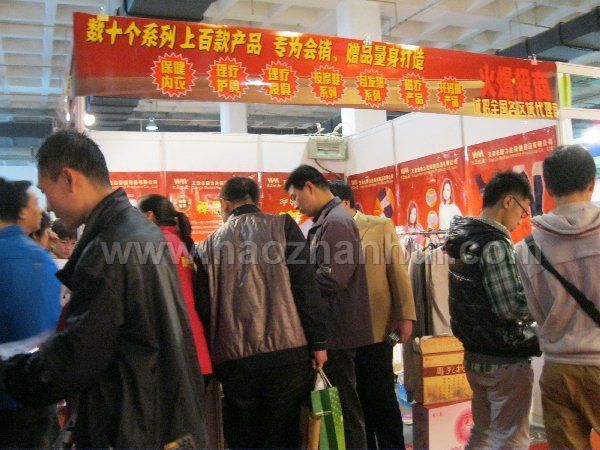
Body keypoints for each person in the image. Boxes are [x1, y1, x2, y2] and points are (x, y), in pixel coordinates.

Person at [0, 130, 206, 448]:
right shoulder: (139, 231)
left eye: (45, 190)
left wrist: (9, 373)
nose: (48, 206)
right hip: (160, 414)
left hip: (130, 424)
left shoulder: (109, 247)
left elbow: (77, 356)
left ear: (68, 178)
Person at [195, 176, 327, 448]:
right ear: (256, 201)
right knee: (284, 436)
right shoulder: (283, 226)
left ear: (225, 204)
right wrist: (318, 342)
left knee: (244, 438)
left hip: (234, 361)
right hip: (288, 355)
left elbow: (204, 310)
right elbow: (305, 287)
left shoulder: (206, 247)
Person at [445, 171, 540, 450]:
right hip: (504, 357)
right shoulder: (495, 244)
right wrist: (544, 304)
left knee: (483, 434)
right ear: (508, 202)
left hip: (475, 354)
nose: (522, 219)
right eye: (523, 210)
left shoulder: (464, 236)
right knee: (511, 439)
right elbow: (510, 306)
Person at [515, 145, 600, 449]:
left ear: (548, 189)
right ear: (591, 183)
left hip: (558, 368)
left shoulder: (527, 247)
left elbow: (536, 312)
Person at [285, 165, 373, 449]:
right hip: (335, 327)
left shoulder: (335, 222)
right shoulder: (328, 219)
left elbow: (334, 277)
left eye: (295, 196)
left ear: (309, 187)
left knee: (344, 408)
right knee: (338, 406)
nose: (295, 204)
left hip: (338, 328)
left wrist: (299, 287)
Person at [329, 180, 416, 450]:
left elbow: (398, 272)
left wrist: (406, 316)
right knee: (353, 401)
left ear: (344, 203)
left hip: (377, 329)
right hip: (341, 333)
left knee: (381, 398)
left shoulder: (379, 226)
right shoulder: (324, 231)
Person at [0, 178, 61, 448]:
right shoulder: (41, 258)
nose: (42, 209)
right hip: (38, 392)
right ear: (22, 211)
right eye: (37, 202)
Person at [138, 194, 213, 376]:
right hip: (195, 349)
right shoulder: (180, 242)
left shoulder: (156, 244)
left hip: (174, 353)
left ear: (149, 216)